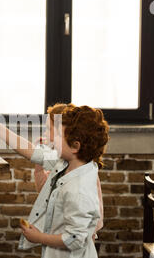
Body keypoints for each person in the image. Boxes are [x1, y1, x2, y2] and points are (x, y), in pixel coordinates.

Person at [0, 104, 109, 258]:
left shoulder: (78, 190)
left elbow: (75, 239)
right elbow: (31, 151)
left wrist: (38, 237)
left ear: (75, 146)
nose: (51, 138)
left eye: (57, 134)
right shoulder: (69, 162)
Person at [33, 103, 104, 241]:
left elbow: (87, 225)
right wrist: (39, 163)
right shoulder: (61, 161)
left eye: (49, 129)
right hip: (61, 236)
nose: (45, 134)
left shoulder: (81, 170)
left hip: (79, 238)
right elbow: (43, 189)